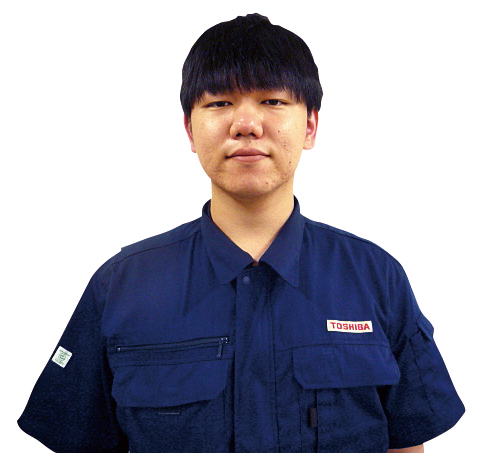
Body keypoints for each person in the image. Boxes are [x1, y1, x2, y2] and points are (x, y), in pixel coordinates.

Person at [18, 13, 464, 453]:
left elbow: (406, 443)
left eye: (272, 101)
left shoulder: (376, 278)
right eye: (219, 103)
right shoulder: (120, 287)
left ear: (310, 126)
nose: (246, 124)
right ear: (190, 130)